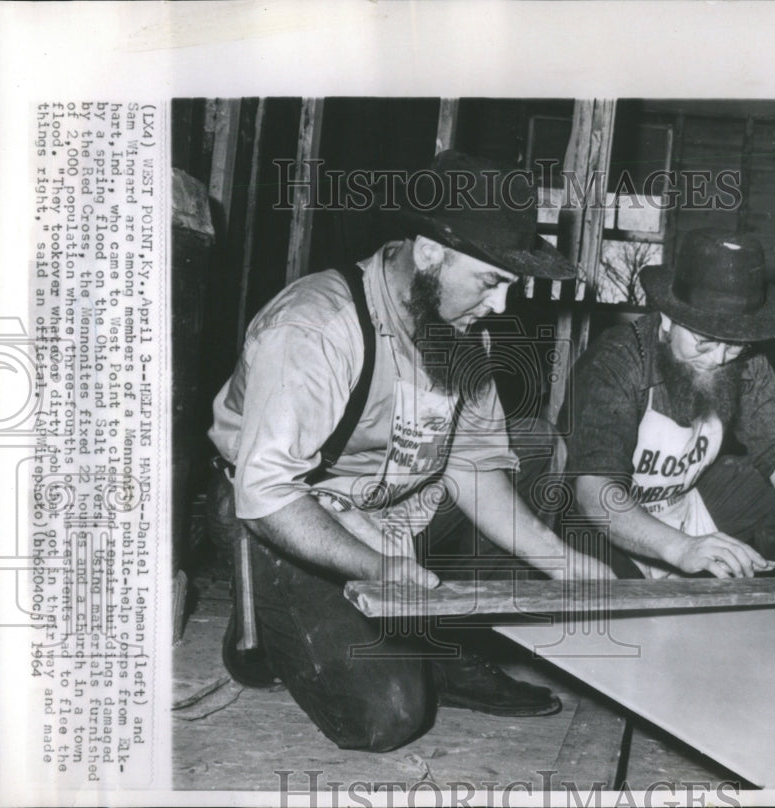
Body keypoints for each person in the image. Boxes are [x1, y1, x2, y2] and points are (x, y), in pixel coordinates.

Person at [208, 150, 614, 752]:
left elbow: (474, 466)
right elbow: (268, 491)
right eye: (491, 281)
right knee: (386, 718)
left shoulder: (457, 328)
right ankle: (268, 621)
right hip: (290, 514)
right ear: (429, 254)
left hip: (394, 504)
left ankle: (445, 648)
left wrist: (559, 560)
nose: (500, 306)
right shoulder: (316, 327)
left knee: (531, 446)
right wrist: (380, 569)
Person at [563, 228, 775, 580]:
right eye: (704, 342)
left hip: (685, 505)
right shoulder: (615, 361)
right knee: (624, 617)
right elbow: (594, 491)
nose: (720, 358)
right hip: (609, 528)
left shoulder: (745, 361)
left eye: (735, 345)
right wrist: (682, 548)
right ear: (669, 319)